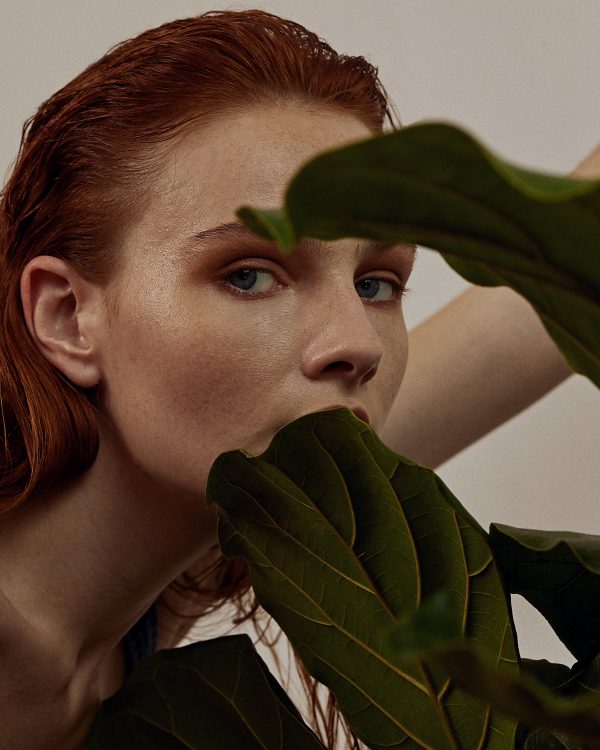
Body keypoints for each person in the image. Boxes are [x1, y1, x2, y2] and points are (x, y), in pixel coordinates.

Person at [0, 9, 596, 750]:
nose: (358, 346)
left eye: (377, 283)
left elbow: (557, 273)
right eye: (249, 275)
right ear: (66, 316)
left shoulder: (172, 559)